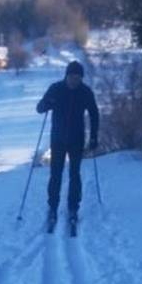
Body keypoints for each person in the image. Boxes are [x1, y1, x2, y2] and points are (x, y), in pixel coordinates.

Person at [36, 60, 99, 226]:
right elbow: (39, 108)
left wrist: (93, 137)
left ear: (81, 78)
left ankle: (73, 207)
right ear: (67, 76)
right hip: (57, 139)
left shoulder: (85, 92)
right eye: (72, 77)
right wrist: (48, 103)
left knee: (75, 174)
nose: (74, 80)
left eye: (78, 77)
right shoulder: (56, 88)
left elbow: (94, 114)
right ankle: (53, 207)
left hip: (77, 139)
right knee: (55, 174)